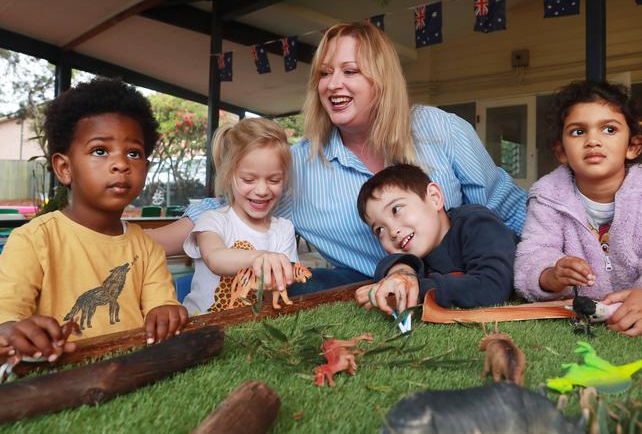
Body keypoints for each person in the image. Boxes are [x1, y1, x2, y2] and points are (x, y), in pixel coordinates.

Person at [148, 22, 526, 294]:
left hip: (479, 289)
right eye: (325, 74)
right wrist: (127, 241)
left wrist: (546, 271)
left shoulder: (442, 130)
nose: (332, 84)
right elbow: (221, 212)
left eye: (350, 71)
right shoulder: (298, 168)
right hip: (381, 294)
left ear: (383, 80)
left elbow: (506, 209)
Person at [0, 78, 188, 365]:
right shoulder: (33, 240)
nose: (121, 163)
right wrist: (10, 330)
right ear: (64, 168)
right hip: (58, 378)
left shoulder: (145, 248)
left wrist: (167, 313)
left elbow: (162, 305)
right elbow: (6, 316)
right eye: (100, 150)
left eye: (134, 153)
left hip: (133, 373)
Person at [514, 80, 642, 337]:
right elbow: (532, 255)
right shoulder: (546, 198)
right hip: (578, 317)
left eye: (609, 129)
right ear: (561, 151)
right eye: (578, 132)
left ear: (632, 146)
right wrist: (550, 275)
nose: (593, 141)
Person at [354, 164, 516, 315]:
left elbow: (493, 287)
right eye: (379, 229)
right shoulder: (418, 255)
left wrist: (417, 290)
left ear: (434, 198)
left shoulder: (476, 222)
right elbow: (395, 262)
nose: (392, 232)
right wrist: (399, 275)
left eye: (396, 209)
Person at [182, 118, 298, 314]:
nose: (262, 190)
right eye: (249, 179)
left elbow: (277, 295)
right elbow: (215, 258)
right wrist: (261, 258)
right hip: (201, 323)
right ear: (228, 176)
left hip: (254, 326)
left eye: (274, 180)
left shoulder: (284, 229)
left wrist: (276, 281)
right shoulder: (212, 220)